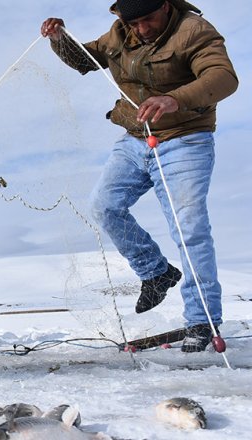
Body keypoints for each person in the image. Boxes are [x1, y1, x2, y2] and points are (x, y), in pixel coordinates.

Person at [40, 0, 238, 352]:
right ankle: (156, 272)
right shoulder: (121, 31)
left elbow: (222, 78)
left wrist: (174, 99)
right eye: (135, 22)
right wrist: (59, 39)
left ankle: (202, 320)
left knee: (189, 229)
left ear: (165, 5)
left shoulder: (194, 31)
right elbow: (86, 60)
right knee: (104, 206)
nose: (142, 28)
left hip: (185, 139)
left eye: (149, 20)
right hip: (135, 139)